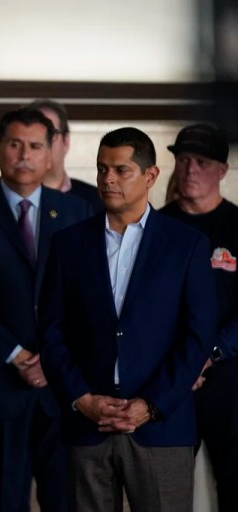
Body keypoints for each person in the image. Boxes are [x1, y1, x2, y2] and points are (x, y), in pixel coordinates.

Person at [39, 126, 218, 512]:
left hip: (161, 427)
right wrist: (81, 398)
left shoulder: (186, 245)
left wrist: (150, 404)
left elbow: (198, 335)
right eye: (102, 169)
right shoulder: (68, 244)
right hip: (88, 425)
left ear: (150, 176)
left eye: (121, 170)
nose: (108, 179)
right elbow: (52, 331)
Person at [0, 107, 91, 512]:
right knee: (5, 499)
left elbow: (88, 299)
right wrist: (14, 353)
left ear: (51, 152)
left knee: (65, 499)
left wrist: (53, 357)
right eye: (15, 144)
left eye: (36, 146)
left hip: (62, 389)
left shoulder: (76, 211)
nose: (24, 155)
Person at [159, 123, 237, 511]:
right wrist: (183, 360)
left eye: (202, 162)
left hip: (228, 377)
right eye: (184, 159)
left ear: (222, 170)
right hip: (171, 377)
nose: (190, 169)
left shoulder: (236, 225)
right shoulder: (155, 228)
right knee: (163, 489)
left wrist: (212, 352)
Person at [27, 99, 104, 213]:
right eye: (33, 135)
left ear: (66, 142)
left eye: (50, 133)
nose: (41, 142)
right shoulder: (9, 200)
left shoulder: (98, 201)